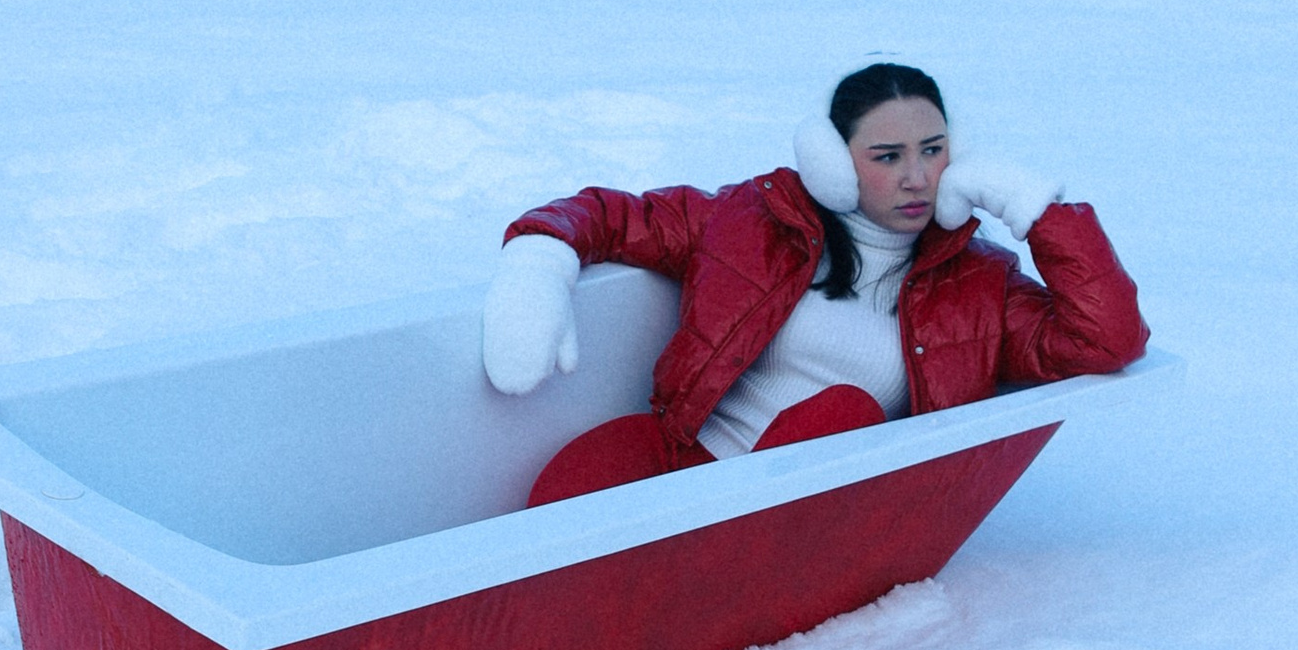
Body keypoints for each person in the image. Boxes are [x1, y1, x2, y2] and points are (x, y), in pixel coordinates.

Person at [482, 61, 1147, 506]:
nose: (917, 178)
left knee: (842, 412)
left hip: (797, 523)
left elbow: (1107, 338)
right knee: (595, 469)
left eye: (933, 150)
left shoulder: (979, 286)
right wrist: (540, 260)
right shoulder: (753, 219)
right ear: (833, 161)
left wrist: (1033, 207)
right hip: (686, 472)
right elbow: (612, 216)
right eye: (887, 157)